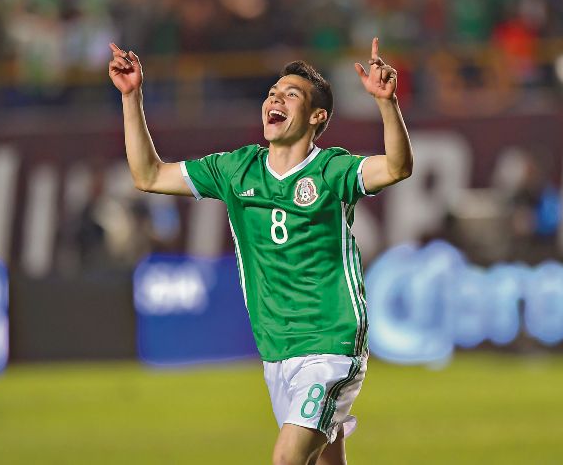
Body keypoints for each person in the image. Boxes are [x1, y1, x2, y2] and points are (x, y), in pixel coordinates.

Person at [109, 37, 413, 465]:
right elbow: (149, 174)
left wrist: (387, 104)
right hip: (276, 350)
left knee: (287, 459)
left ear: (315, 116)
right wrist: (131, 96)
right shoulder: (237, 170)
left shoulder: (332, 171)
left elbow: (398, 167)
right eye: (273, 92)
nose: (276, 98)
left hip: (331, 341)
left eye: (291, 94)